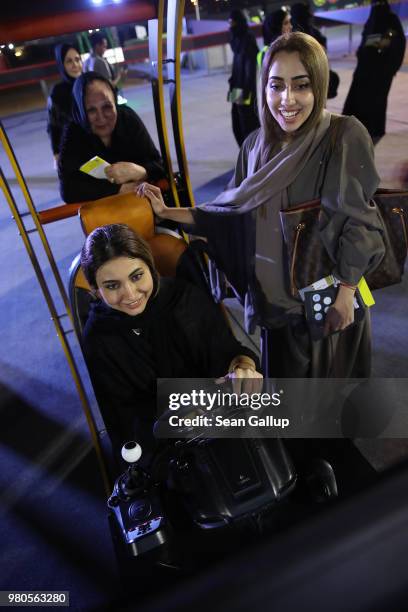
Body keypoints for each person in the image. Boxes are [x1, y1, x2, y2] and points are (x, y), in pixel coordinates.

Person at [136, 32, 386, 379]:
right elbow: (228, 213)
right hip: (274, 306)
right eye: (276, 85)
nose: (287, 99)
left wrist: (345, 291)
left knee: (330, 407)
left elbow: (359, 221)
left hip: (326, 303)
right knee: (289, 405)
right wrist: (165, 213)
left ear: (319, 84)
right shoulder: (255, 146)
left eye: (301, 85)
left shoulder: (341, 137)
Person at [80, 223, 261, 455]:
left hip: (222, 417)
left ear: (150, 267)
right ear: (96, 290)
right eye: (112, 286)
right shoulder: (98, 336)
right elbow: (123, 418)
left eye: (137, 276)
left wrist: (243, 368)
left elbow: (229, 353)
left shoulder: (185, 298)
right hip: (163, 442)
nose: (130, 294)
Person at [58, 72, 165, 203]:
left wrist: (140, 171)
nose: (101, 117)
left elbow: (159, 164)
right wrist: (118, 189)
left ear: (115, 101)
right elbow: (68, 190)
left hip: (143, 208)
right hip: (103, 216)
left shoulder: (127, 118)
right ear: (80, 110)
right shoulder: (74, 132)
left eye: (107, 106)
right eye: (91, 110)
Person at [343, 0, 406, 144]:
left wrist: (389, 67)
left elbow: (394, 43)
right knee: (360, 102)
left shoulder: (390, 21)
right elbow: (366, 43)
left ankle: (373, 130)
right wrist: (363, 54)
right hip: (365, 72)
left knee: (376, 103)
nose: (377, 8)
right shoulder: (372, 21)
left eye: (379, 4)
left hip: (381, 73)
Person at [228, 9, 260, 147]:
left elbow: (250, 69)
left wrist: (247, 92)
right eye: (229, 22)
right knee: (237, 122)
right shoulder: (237, 38)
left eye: (232, 22)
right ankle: (244, 151)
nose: (230, 25)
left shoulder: (247, 38)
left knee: (248, 123)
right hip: (236, 87)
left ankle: (250, 154)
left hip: (245, 89)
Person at [47, 43, 83, 165]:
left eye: (77, 59)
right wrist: (56, 152)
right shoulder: (57, 92)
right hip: (72, 151)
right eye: (69, 61)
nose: (75, 65)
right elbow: (53, 125)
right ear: (62, 65)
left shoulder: (89, 84)